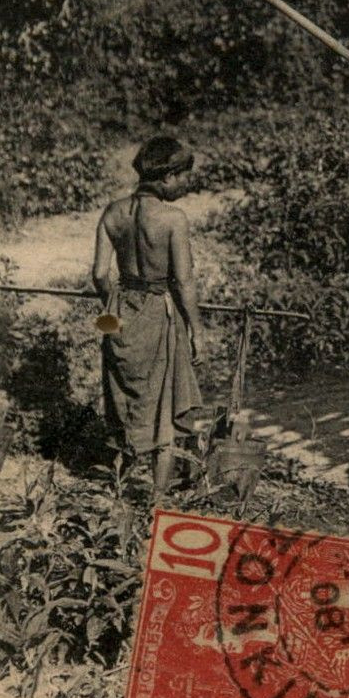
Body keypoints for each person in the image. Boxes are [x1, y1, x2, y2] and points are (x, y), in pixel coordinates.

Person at [93, 136, 205, 497]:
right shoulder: (173, 218)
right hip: (159, 310)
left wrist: (115, 307)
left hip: (116, 311)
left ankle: (121, 485)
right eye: (185, 176)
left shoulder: (112, 212)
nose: (188, 184)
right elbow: (184, 281)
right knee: (165, 402)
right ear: (168, 176)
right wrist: (196, 330)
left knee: (122, 395)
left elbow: (98, 274)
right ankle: (157, 497)